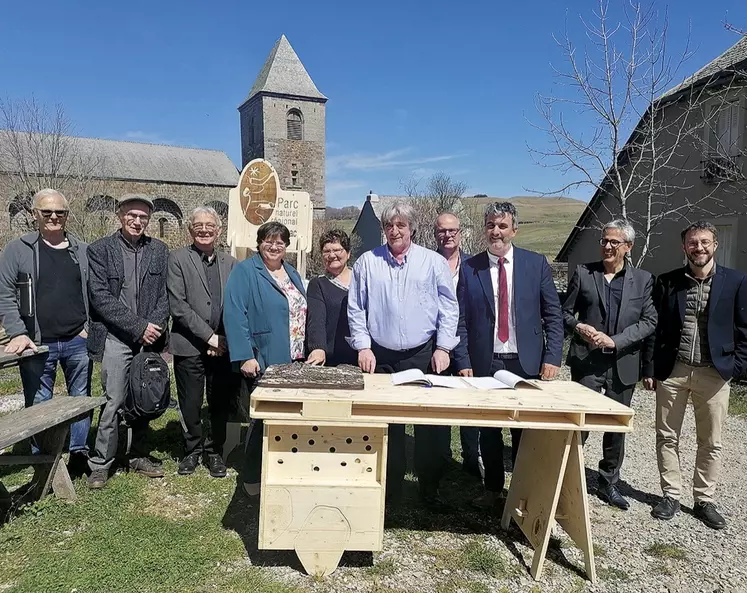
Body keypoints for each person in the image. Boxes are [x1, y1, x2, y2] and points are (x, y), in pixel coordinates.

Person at [348, 202, 458, 511]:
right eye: (389, 226)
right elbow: (356, 308)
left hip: (423, 354)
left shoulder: (433, 262)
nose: (394, 231)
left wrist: (443, 347)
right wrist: (363, 346)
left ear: (411, 228)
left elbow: (449, 307)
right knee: (387, 428)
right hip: (380, 355)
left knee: (428, 428)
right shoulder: (367, 263)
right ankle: (389, 487)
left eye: (401, 225)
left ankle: (429, 488)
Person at [454, 201, 563, 509]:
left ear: (514, 229)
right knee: (488, 430)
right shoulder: (469, 268)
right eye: (490, 225)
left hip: (524, 362)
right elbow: (460, 321)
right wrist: (463, 361)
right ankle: (492, 490)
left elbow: (552, 315)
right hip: (485, 362)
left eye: (502, 226)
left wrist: (552, 357)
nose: (496, 232)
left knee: (524, 432)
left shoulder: (535, 264)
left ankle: (522, 493)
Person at [644, 221, 747, 530]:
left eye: (704, 242)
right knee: (666, 436)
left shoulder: (736, 281)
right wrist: (649, 369)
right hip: (673, 372)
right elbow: (655, 329)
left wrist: (735, 369)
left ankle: (704, 499)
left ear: (714, 245)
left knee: (711, 441)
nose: (698, 248)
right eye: (692, 242)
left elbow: (744, 331)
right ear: (683, 247)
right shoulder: (667, 282)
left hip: (714, 374)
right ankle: (671, 495)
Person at [562, 219, 656, 510]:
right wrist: (579, 327)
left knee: (616, 428)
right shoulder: (584, 273)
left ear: (628, 247)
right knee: (579, 423)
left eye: (614, 242)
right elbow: (564, 312)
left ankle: (608, 483)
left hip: (622, 364)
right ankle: (565, 478)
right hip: (587, 363)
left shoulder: (642, 280)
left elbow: (650, 321)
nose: (606, 246)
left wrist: (616, 341)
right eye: (603, 241)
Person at [0, 189, 92, 475]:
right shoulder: (18, 250)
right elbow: (4, 294)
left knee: (81, 399)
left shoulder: (82, 250)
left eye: (60, 212)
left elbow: (94, 291)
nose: (54, 217)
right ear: (34, 214)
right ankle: (42, 460)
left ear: (67, 215)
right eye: (46, 212)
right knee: (39, 402)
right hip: (37, 343)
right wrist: (17, 332)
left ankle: (78, 452)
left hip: (77, 339)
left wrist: (88, 327)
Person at [86, 194, 170, 489]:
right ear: (120, 216)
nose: (137, 221)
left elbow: (164, 296)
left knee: (144, 396)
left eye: (143, 217)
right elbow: (100, 298)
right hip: (117, 336)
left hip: (148, 339)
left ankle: (138, 455)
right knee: (115, 400)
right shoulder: (100, 250)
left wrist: (154, 327)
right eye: (131, 215)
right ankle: (101, 463)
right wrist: (138, 327)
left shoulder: (159, 250)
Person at [223, 221, 307, 496]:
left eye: (280, 242)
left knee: (289, 419)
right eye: (268, 241)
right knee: (262, 420)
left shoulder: (291, 272)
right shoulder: (245, 271)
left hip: (294, 358)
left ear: (286, 246)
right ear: (259, 243)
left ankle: (281, 470)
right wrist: (245, 355)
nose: (274, 246)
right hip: (263, 357)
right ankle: (251, 476)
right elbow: (235, 314)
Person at [167, 206, 238, 478]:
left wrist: (221, 337)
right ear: (190, 230)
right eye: (199, 225)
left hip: (222, 346)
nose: (205, 230)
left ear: (219, 231)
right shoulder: (177, 259)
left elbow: (234, 304)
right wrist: (208, 336)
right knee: (190, 401)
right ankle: (192, 450)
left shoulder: (231, 263)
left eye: (210, 225)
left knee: (219, 401)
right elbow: (178, 305)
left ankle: (214, 451)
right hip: (189, 344)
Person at [434, 212, 480, 480]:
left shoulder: (475, 266)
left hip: (467, 344)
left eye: (452, 231)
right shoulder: (427, 262)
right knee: (439, 405)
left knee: (469, 406)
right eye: (442, 231)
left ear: (460, 233)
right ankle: (440, 459)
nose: (447, 235)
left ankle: (471, 459)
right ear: (435, 234)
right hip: (435, 346)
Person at [305, 229, 357, 367]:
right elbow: (316, 319)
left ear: (348, 253)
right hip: (332, 358)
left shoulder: (363, 280)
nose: (331, 255)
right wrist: (318, 348)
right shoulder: (318, 284)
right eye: (326, 251)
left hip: (364, 356)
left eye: (337, 250)